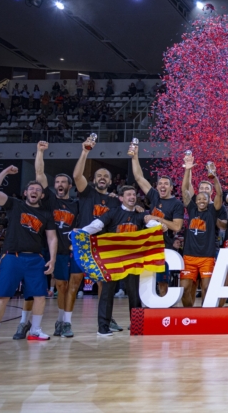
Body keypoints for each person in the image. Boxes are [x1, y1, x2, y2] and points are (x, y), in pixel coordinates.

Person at [78, 186, 164, 336]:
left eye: (133, 194)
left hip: (133, 260)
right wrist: (81, 232)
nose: (131, 196)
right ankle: (103, 327)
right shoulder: (113, 212)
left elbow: (153, 225)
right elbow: (97, 226)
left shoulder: (140, 214)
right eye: (128, 194)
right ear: (121, 198)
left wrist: (159, 226)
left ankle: (136, 325)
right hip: (113, 260)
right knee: (107, 292)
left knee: (134, 293)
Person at [0, 166, 58, 346]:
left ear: (42, 196)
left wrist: (53, 258)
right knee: (3, 295)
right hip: (12, 256)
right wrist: (4, 172)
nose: (35, 191)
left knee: (40, 296)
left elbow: (52, 238)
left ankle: (35, 330)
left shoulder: (46, 214)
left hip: (35, 258)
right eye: (32, 189)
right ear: (25, 192)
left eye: (38, 190)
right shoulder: (14, 204)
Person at [73, 136, 125, 331]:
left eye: (106, 176)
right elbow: (77, 176)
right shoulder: (87, 193)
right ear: (94, 180)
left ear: (110, 182)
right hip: (84, 243)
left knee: (105, 286)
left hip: (103, 246)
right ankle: (65, 322)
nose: (102, 178)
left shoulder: (114, 201)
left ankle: (105, 319)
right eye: (99, 176)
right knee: (74, 282)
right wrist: (85, 152)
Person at [35, 141, 81, 338]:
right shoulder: (51, 200)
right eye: (57, 182)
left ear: (69, 186)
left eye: (63, 182)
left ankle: (67, 323)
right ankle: (60, 319)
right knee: (61, 286)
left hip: (74, 250)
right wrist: (39, 152)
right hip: (57, 251)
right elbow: (39, 175)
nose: (60, 185)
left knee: (73, 286)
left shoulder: (77, 204)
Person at [130, 142, 185, 297]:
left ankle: (164, 314)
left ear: (171, 187)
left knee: (162, 283)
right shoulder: (154, 195)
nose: (162, 186)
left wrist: (157, 219)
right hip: (148, 245)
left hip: (165, 247)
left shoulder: (176, 204)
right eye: (160, 183)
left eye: (166, 184)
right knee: (145, 281)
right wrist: (135, 157)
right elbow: (139, 177)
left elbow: (177, 227)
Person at [179, 153, 222, 307]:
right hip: (189, 256)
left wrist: (214, 177)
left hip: (207, 257)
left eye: (205, 198)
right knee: (184, 290)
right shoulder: (191, 209)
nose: (202, 201)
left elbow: (220, 193)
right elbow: (184, 190)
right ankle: (189, 317)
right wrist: (187, 170)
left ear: (209, 198)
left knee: (207, 288)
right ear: (195, 200)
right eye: (199, 199)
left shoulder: (212, 210)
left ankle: (205, 317)